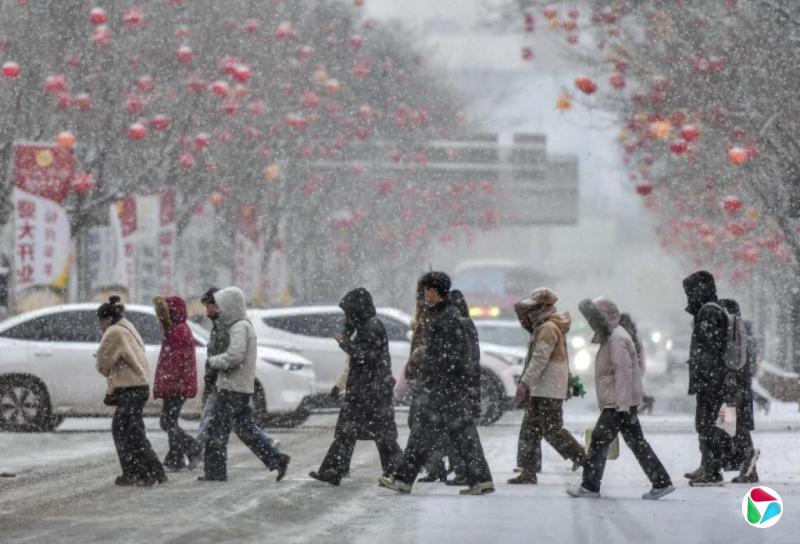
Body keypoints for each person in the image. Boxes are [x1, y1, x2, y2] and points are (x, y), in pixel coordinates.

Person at [379, 272, 494, 496]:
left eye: (425, 291)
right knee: (458, 434)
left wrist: (424, 359)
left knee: (426, 433)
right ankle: (480, 480)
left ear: (432, 291)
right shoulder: (445, 315)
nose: (423, 296)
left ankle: (404, 479)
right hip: (447, 387)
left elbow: (447, 356)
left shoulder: (445, 318)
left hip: (443, 388)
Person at [567, 298, 674, 500]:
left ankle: (590, 486)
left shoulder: (616, 339)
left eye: (595, 319)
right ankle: (661, 481)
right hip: (622, 402)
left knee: (599, 440)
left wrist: (621, 405)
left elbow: (624, 373)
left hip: (618, 403)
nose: (592, 324)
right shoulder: (613, 336)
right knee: (636, 442)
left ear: (605, 317)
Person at [309, 288, 403, 485]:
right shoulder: (367, 325)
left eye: (349, 312)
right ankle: (334, 470)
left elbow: (365, 357)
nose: (346, 317)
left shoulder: (371, 327)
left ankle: (396, 473)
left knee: (379, 435)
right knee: (351, 433)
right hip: (367, 391)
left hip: (371, 392)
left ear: (357, 310)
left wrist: (346, 344)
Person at [200, 286, 290, 482]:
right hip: (239, 388)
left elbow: (235, 356)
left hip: (232, 388)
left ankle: (215, 473)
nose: (218, 309)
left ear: (229, 305)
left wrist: (213, 361)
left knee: (217, 430)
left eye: (220, 304)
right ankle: (277, 459)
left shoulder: (239, 327)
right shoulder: (238, 325)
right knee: (245, 429)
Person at [509, 288, 587, 485]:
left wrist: (525, 383)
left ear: (544, 307)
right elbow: (521, 313)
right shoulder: (542, 325)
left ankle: (585, 459)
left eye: (533, 307)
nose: (529, 311)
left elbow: (539, 359)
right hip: (542, 388)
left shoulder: (547, 328)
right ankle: (528, 471)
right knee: (530, 430)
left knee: (552, 430)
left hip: (548, 389)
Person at [95, 296, 167, 486]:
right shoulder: (128, 326)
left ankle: (139, 473)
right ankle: (153, 471)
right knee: (132, 430)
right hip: (138, 386)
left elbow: (103, 364)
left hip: (130, 388)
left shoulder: (114, 332)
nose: (100, 325)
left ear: (108, 318)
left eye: (101, 321)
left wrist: (103, 361)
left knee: (125, 431)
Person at [682, 271, 737, 487]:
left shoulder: (709, 312)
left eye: (690, 292)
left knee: (707, 424)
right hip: (713, 379)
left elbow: (709, 350)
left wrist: (702, 373)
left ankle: (712, 470)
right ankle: (707, 465)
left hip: (711, 381)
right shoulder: (712, 309)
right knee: (705, 423)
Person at [153, 296, 203, 471]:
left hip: (176, 386)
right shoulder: (177, 329)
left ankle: (189, 450)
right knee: (169, 421)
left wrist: (166, 385)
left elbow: (174, 364)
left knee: (167, 422)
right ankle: (179, 457)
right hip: (177, 385)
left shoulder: (178, 331)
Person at [717, 299, 759, 483]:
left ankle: (748, 458)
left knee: (734, 426)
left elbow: (730, 361)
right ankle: (748, 469)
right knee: (734, 426)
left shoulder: (732, 334)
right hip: (742, 386)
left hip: (734, 388)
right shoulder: (744, 333)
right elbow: (753, 366)